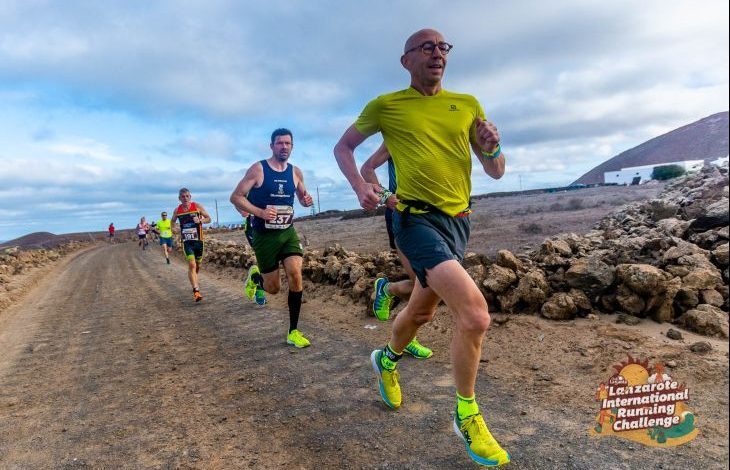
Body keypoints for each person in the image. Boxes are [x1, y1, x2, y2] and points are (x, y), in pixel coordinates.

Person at [333, 29, 509, 466]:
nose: (437, 54)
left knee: (422, 310)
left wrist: (494, 147)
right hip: (414, 221)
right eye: (426, 48)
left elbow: (497, 172)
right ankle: (466, 414)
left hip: (459, 222)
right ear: (406, 60)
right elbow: (345, 147)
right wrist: (362, 187)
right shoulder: (388, 106)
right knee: (475, 314)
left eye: (443, 47)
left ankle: (386, 359)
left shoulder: (467, 105)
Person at [230, 128, 314, 348]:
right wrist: (259, 212)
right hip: (264, 235)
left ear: (292, 146)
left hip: (287, 232)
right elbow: (236, 197)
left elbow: (302, 196)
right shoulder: (258, 169)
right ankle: (256, 279)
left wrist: (306, 201)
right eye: (279, 143)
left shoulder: (296, 172)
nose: (284, 147)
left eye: (288, 143)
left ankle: (293, 331)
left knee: (296, 275)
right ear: (272, 146)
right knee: (274, 288)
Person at [360, 143, 433, 360]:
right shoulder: (397, 132)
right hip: (402, 216)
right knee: (424, 283)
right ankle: (408, 338)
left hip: (433, 217)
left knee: (429, 286)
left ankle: (387, 289)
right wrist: (386, 196)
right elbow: (367, 169)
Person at [171, 188, 212, 302]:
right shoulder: (177, 210)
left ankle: (194, 279)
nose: (185, 198)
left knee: (197, 266)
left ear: (190, 196)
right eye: (183, 196)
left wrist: (200, 220)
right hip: (186, 242)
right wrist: (174, 228)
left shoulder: (197, 206)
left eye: (187, 196)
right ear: (179, 198)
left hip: (199, 242)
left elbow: (209, 218)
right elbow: (172, 221)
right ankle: (196, 291)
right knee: (192, 265)